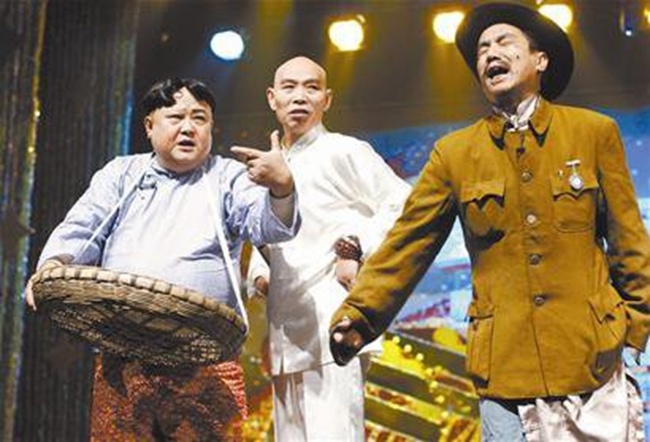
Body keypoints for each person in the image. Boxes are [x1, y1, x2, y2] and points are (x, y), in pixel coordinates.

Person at [329, 3, 650, 441]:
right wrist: (361, 314)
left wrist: (635, 326)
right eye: (482, 49)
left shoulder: (593, 133)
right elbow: (408, 243)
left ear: (540, 60)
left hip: (591, 355)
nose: (490, 54)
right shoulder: (455, 154)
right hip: (504, 367)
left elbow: (629, 240)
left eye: (503, 42)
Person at [24, 77, 300, 440]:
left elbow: (269, 227)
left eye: (199, 118)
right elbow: (82, 227)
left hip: (207, 360)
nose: (188, 127)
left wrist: (282, 188)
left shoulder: (227, 177)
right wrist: (52, 267)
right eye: (176, 117)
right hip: (123, 357)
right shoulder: (122, 173)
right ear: (149, 126)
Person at [233, 56, 410, 441]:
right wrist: (259, 276)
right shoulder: (268, 165)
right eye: (289, 87)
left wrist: (354, 248)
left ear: (326, 100)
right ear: (272, 98)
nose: (300, 96)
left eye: (311, 87)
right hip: (285, 331)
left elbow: (402, 204)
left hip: (334, 324)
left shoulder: (344, 151)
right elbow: (265, 235)